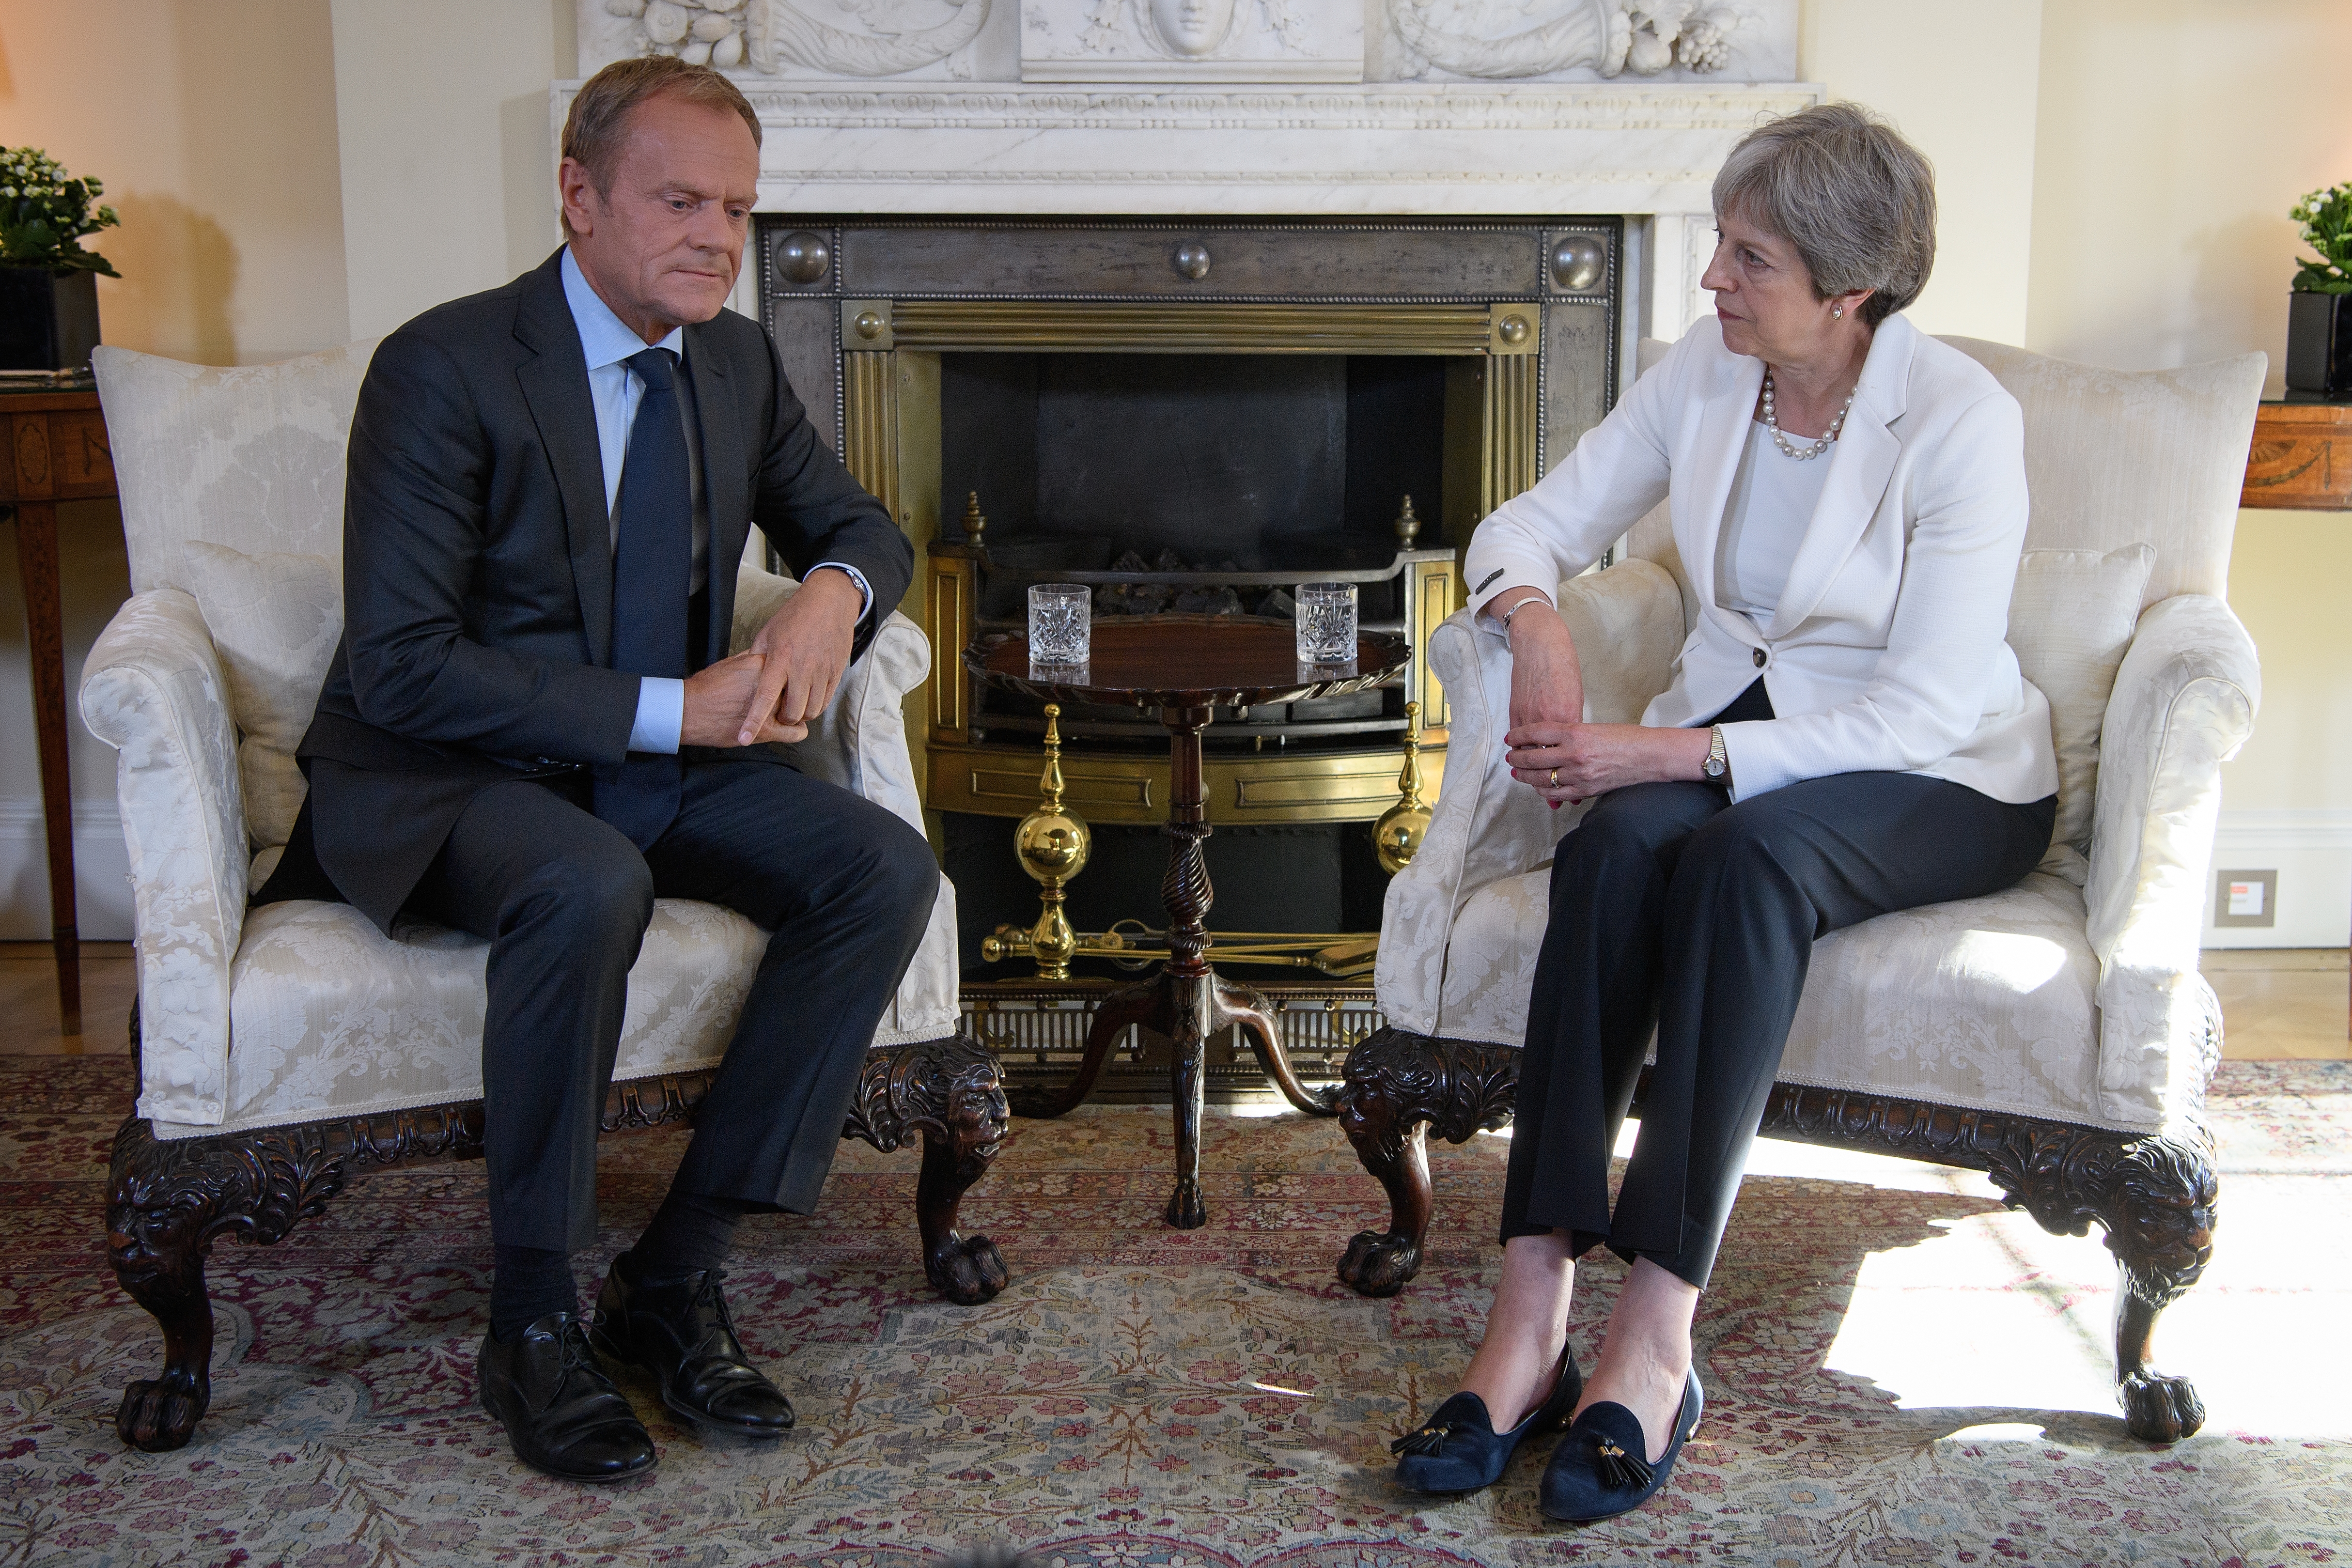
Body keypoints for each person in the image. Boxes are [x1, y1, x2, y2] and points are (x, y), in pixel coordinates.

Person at [257, 56, 940, 1483]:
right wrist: (663, 712)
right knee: (584, 880)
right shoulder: (444, 366)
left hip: (649, 760)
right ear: (577, 196)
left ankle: (674, 1277)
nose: (717, 239)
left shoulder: (737, 365)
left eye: (740, 211)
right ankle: (530, 1322)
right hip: (447, 769)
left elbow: (867, 527)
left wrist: (827, 592)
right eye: (680, 200)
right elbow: (402, 663)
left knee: (881, 866)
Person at [1386, 103, 2059, 1521]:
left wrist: (1657, 750)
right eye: (1719, 244)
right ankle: (1528, 1317)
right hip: (1742, 730)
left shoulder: (1958, 423)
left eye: (1748, 257)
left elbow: (1926, 710)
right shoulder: (1711, 371)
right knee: (1615, 849)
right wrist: (1539, 624)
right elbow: (1527, 523)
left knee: (1741, 861)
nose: (1711, 280)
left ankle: (1654, 1339)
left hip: (1946, 778)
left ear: (1850, 288)